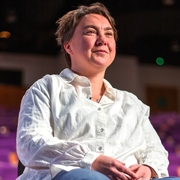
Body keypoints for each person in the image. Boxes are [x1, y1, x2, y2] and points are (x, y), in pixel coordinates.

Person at [16, 2, 179, 180]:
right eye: (91, 32)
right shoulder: (46, 88)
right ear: (68, 46)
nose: (102, 39)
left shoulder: (132, 103)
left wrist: (148, 168)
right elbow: (30, 143)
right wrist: (91, 160)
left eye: (108, 33)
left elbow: (155, 151)